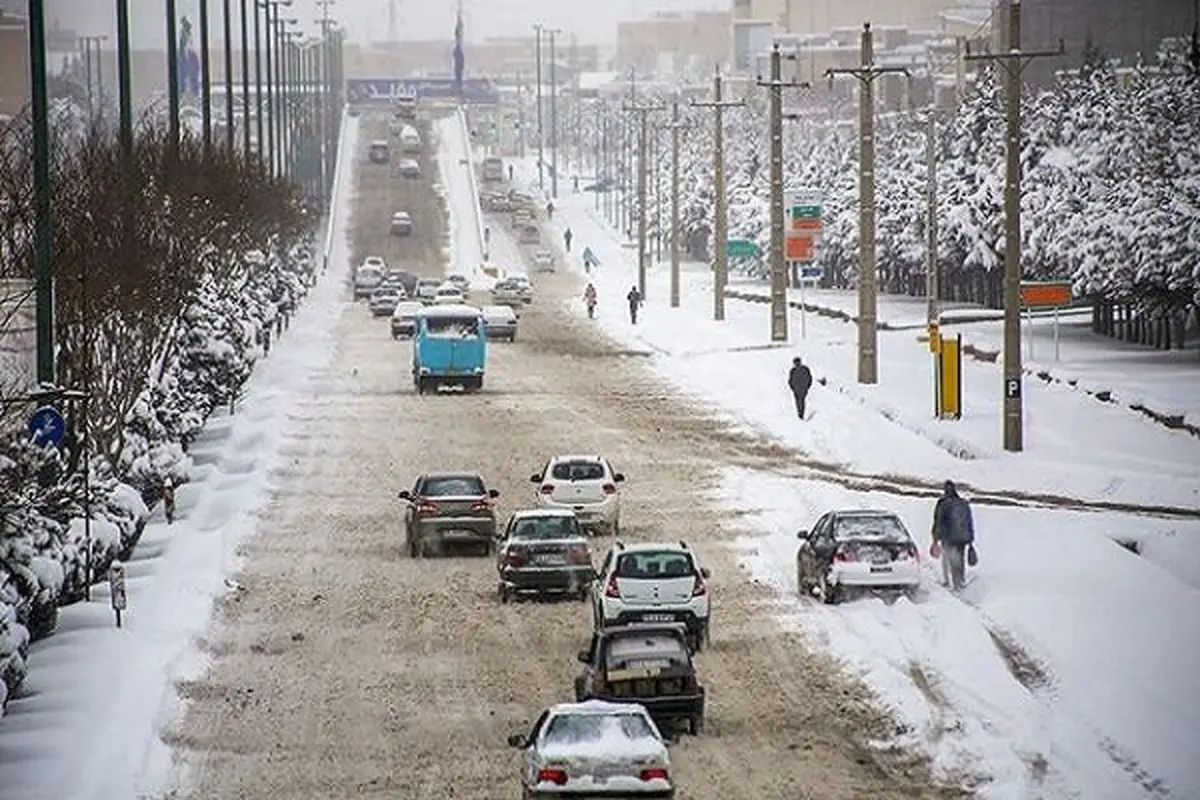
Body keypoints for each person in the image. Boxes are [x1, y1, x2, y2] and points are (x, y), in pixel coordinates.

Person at [931, 480, 976, 590]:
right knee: (960, 558)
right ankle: (960, 580)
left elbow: (939, 520)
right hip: (962, 537)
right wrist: (970, 539)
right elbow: (968, 521)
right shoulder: (963, 503)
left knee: (948, 559)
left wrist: (935, 538)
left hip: (948, 537)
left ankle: (949, 582)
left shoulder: (943, 503)